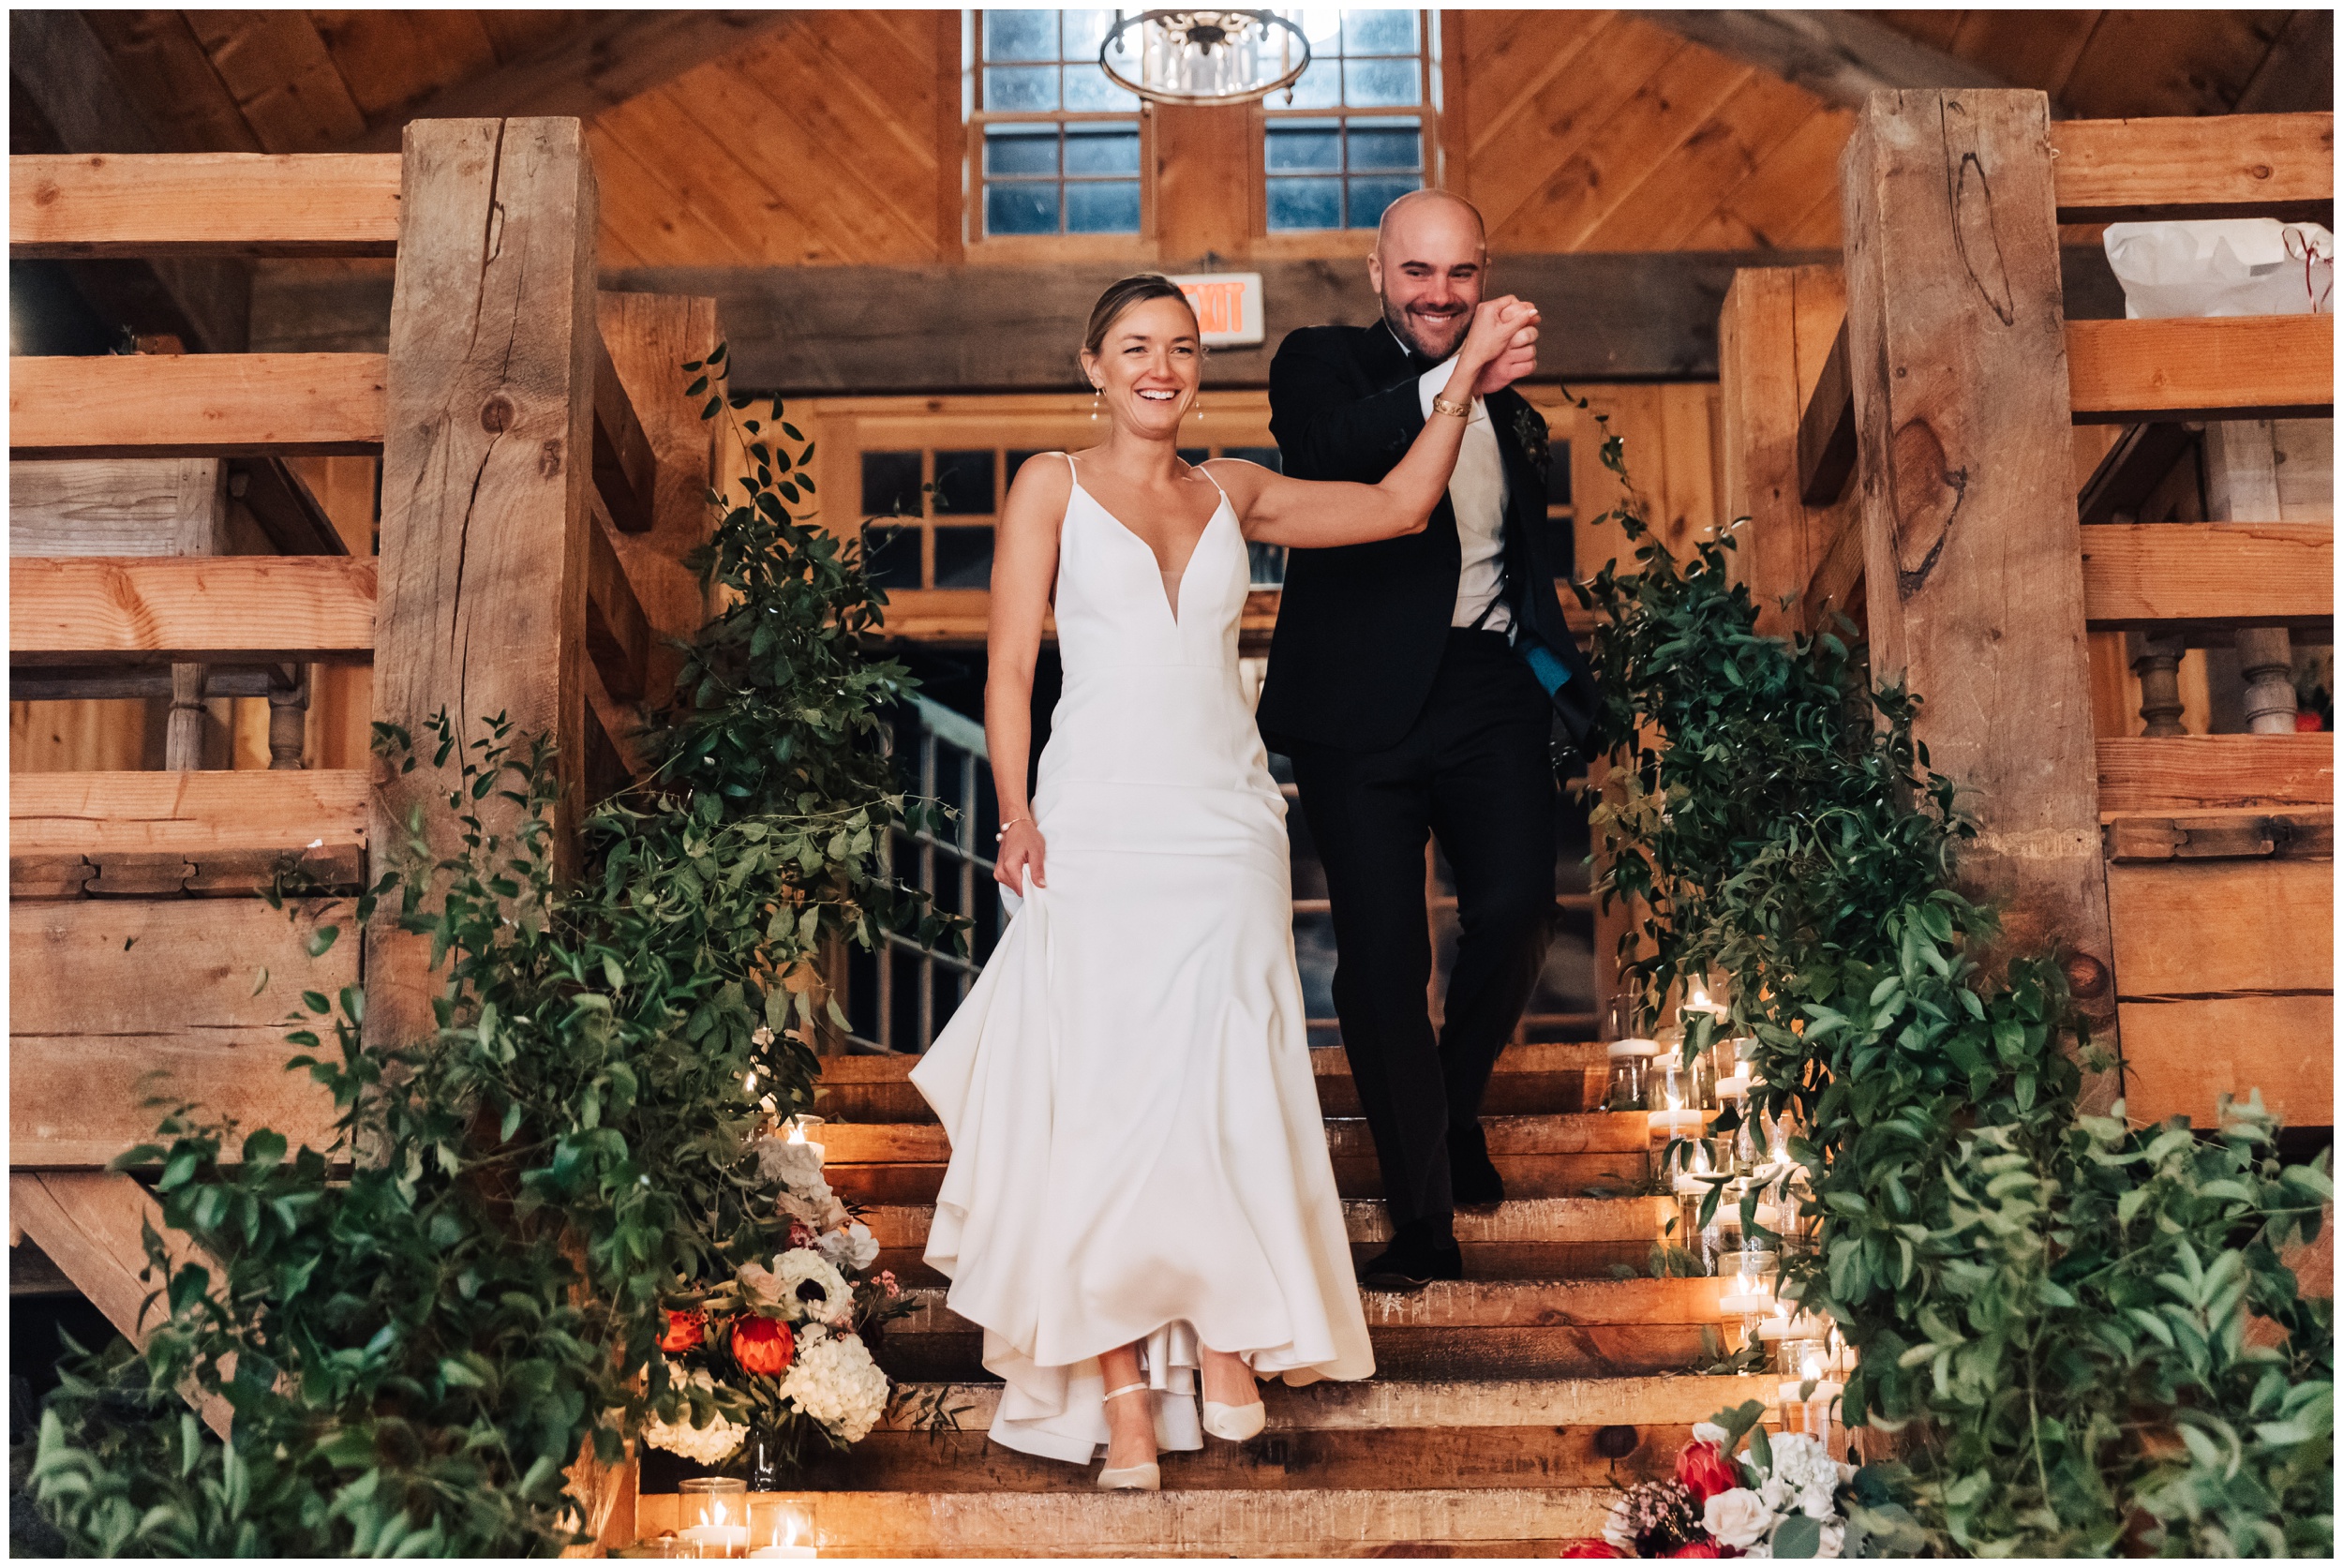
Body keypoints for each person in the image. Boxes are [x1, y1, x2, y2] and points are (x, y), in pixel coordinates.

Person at [911, 274, 1538, 1490]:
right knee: (1102, 1105)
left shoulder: (1234, 489)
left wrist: (1460, 383)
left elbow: (1405, 506)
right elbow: (1005, 672)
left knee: (1218, 1089)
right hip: (1093, 818)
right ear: (1094, 366)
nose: (1164, 366)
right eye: (1137, 347)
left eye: (1184, 349)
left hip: (1222, 826)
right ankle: (1128, 1402)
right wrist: (1017, 812)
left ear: (1202, 369)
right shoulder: (1051, 482)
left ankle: (1231, 1328)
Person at [1260, 189, 1600, 1292]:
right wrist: (1458, 381)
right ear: (1376, 271)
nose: (1440, 295)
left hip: (1486, 682)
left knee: (1517, 908)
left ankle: (1450, 1107)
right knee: (1383, 960)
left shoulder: (1511, 406)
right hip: (1357, 708)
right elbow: (1330, 448)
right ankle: (1420, 1215)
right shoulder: (1321, 360)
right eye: (1418, 273)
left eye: (1460, 275)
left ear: (1484, 267)